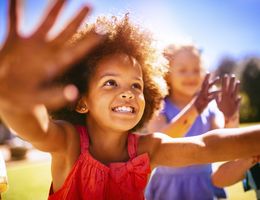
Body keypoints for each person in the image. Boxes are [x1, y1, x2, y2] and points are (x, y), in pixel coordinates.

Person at [0, 1, 260, 199]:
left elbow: (206, 146)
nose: (128, 93)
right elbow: (34, 128)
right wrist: (13, 97)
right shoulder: (69, 143)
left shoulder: (149, 149)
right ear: (82, 101)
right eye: (110, 82)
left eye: (137, 85)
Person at [145, 44, 240, 200]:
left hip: (203, 185)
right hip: (168, 187)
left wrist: (230, 118)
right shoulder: (159, 106)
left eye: (196, 70)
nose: (191, 75)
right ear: (168, 74)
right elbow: (159, 140)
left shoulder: (210, 106)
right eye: (183, 70)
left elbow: (223, 142)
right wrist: (194, 109)